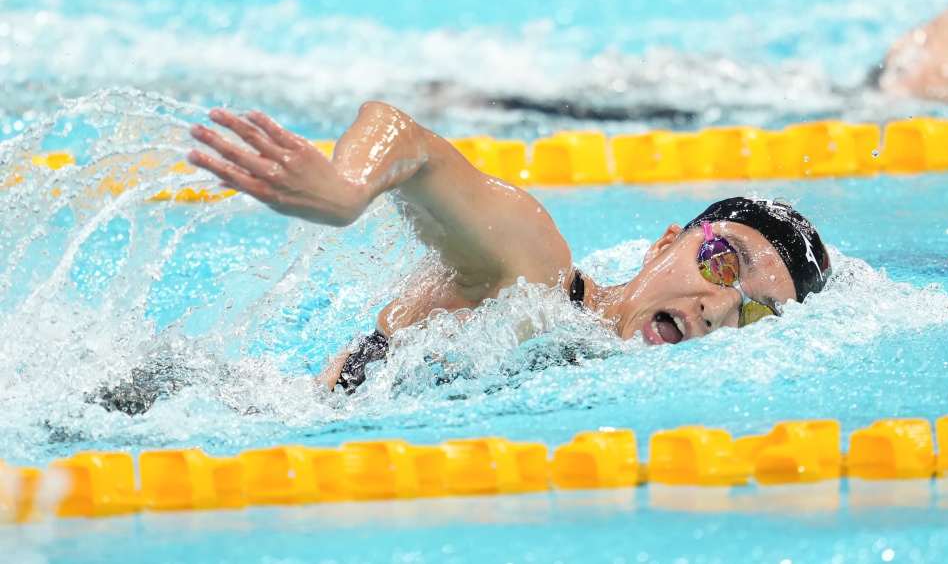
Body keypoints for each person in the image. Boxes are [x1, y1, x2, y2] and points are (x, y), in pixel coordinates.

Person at [187, 102, 831, 394]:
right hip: (192, 403)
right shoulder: (535, 273)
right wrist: (345, 191)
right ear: (665, 245)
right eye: (723, 264)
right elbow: (402, 134)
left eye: (752, 313)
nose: (719, 307)